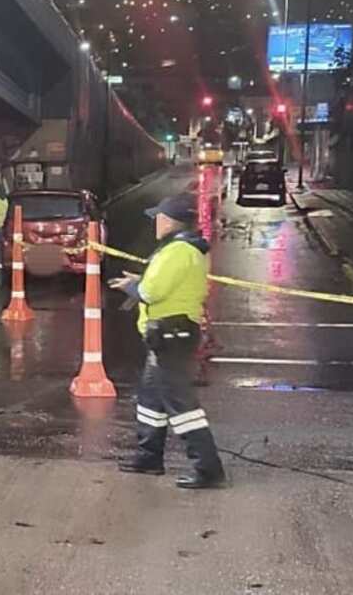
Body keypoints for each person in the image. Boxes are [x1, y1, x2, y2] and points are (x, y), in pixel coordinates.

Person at [111, 193, 226, 489]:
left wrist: (133, 285)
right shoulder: (185, 249)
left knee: (181, 405)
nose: (156, 223)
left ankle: (208, 468)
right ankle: (149, 457)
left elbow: (151, 292)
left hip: (171, 336)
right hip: (167, 334)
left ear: (169, 221)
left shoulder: (177, 251)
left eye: (159, 218)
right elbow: (164, 284)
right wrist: (141, 280)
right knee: (150, 399)